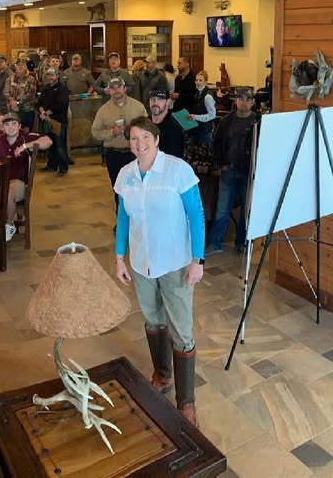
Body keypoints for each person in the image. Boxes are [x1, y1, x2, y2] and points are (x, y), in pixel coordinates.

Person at [114, 117, 204, 428]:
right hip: (141, 263)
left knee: (182, 330)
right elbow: (123, 218)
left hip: (176, 262)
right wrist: (119, 257)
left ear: (156, 139)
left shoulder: (177, 170)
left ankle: (187, 402)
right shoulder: (126, 174)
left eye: (144, 138)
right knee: (153, 320)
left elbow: (196, 214)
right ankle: (162, 376)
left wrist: (198, 260)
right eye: (133, 138)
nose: (139, 144)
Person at [208, 87, 259, 254]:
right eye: (240, 98)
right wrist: (220, 163)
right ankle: (216, 243)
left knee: (246, 210)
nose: (243, 102)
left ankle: (241, 243)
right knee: (222, 209)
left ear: (252, 102)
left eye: (247, 99)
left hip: (248, 173)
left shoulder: (258, 122)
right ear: (235, 101)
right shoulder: (226, 121)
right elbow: (215, 143)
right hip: (228, 170)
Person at [0, 112, 52, 241]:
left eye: (13, 124)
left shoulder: (26, 137)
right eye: (7, 124)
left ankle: (9, 224)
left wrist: (24, 147)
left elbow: (48, 141)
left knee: (7, 192)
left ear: (19, 126)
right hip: (0, 178)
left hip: (19, 181)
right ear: (3, 127)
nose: (10, 127)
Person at [92, 77, 147, 206]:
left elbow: (147, 128)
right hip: (114, 155)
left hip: (135, 155)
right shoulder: (103, 111)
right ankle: (121, 222)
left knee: (138, 188)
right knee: (118, 190)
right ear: (109, 91)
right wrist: (112, 132)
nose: (116, 90)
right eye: (113, 88)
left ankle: (138, 222)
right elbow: (95, 132)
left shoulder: (138, 107)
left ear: (125, 88)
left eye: (119, 87)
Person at [37, 68, 70, 176]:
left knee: (60, 146)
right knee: (49, 145)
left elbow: (60, 105)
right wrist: (42, 112)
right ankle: (52, 165)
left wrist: (46, 114)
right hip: (46, 121)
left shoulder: (62, 89)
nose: (50, 77)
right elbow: (39, 102)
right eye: (48, 75)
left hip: (58, 122)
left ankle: (63, 167)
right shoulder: (46, 88)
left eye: (52, 75)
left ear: (57, 76)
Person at [148, 89, 185, 159]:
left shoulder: (175, 127)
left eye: (160, 99)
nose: (155, 102)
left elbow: (175, 158)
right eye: (152, 99)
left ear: (168, 102)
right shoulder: (144, 124)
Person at [4, 59, 38, 131]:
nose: (20, 66)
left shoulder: (31, 79)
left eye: (22, 65)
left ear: (26, 67)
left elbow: (31, 94)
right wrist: (12, 101)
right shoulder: (9, 79)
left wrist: (17, 102)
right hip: (13, 110)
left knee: (26, 134)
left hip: (27, 110)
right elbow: (6, 92)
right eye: (18, 65)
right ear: (15, 66)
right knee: (14, 132)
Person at [185, 70, 217, 146]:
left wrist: (195, 117)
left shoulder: (207, 97)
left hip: (205, 130)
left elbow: (212, 115)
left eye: (200, 80)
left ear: (205, 82)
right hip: (197, 128)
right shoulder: (197, 93)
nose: (197, 82)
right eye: (196, 80)